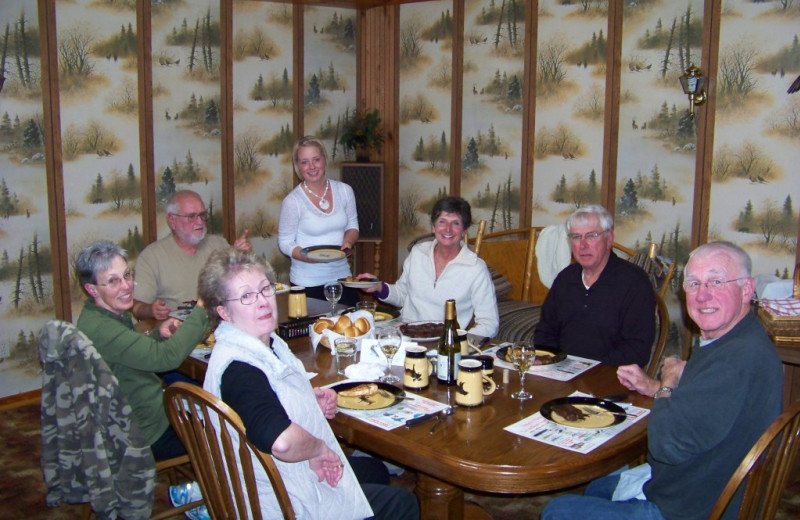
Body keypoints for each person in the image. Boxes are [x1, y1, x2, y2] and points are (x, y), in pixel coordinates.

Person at [541, 241, 783, 520]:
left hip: (694, 507)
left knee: (557, 511)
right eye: (693, 284)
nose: (702, 296)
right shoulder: (740, 338)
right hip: (703, 479)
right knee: (600, 486)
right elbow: (709, 400)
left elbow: (665, 444)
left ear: (747, 289)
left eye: (716, 281)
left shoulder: (736, 359)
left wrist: (666, 384)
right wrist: (657, 385)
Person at [196, 247, 418, 520]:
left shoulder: (265, 344)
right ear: (224, 312)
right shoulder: (239, 368)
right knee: (403, 503)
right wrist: (319, 449)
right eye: (246, 297)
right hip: (281, 502)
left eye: (265, 289)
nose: (263, 302)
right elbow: (282, 442)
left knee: (375, 471)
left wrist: (308, 399)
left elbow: (268, 399)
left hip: (282, 477)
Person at [75, 240, 209, 461]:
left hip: (142, 417)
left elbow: (128, 354)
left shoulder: (104, 314)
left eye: (127, 275)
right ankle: (212, 488)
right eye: (113, 281)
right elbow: (167, 359)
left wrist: (158, 334)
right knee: (229, 429)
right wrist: (202, 307)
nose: (126, 286)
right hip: (144, 434)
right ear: (91, 289)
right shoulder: (101, 329)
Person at [533, 205, 654, 366]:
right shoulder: (566, 278)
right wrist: (549, 361)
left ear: (609, 239)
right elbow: (545, 331)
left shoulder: (634, 283)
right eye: (576, 237)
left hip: (609, 377)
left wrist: (589, 369)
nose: (583, 245)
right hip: (561, 373)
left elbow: (637, 349)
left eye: (591, 236)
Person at [361, 196, 499, 338]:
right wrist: (378, 287)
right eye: (442, 222)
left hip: (443, 345)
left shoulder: (476, 268)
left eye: (456, 223)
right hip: (405, 336)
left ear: (464, 230)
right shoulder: (418, 252)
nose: (448, 229)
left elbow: (489, 323)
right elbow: (403, 295)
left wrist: (456, 342)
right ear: (433, 226)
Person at [132, 189, 251, 321]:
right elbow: (136, 306)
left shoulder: (219, 245)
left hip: (220, 325)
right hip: (178, 333)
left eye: (202, 215)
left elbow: (244, 286)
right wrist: (151, 310)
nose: (200, 222)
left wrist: (242, 256)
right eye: (191, 216)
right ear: (172, 220)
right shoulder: (151, 257)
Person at [278, 135, 361, 306]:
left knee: (348, 329)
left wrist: (348, 241)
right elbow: (285, 242)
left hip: (342, 278)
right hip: (307, 282)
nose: (312, 167)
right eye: (304, 162)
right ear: (298, 166)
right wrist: (306, 257)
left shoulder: (345, 191)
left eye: (316, 159)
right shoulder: (293, 201)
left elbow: (352, 225)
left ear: (324, 160)